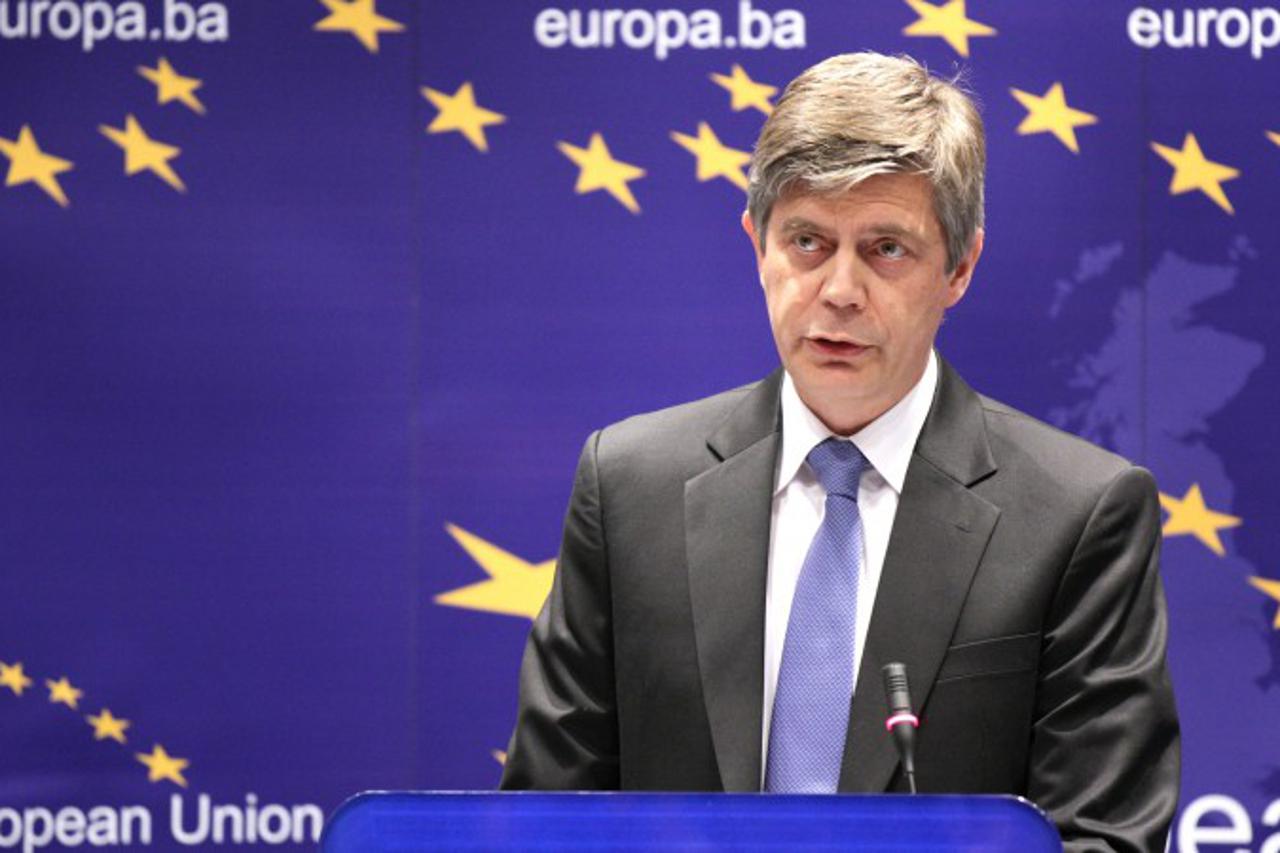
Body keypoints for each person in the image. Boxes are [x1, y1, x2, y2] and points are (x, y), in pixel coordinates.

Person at [500, 51, 1179, 851]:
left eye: (886, 248)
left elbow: (1101, 836)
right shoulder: (629, 486)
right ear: (757, 245)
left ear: (960, 267)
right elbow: (543, 819)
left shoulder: (1078, 513)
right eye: (808, 242)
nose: (840, 290)